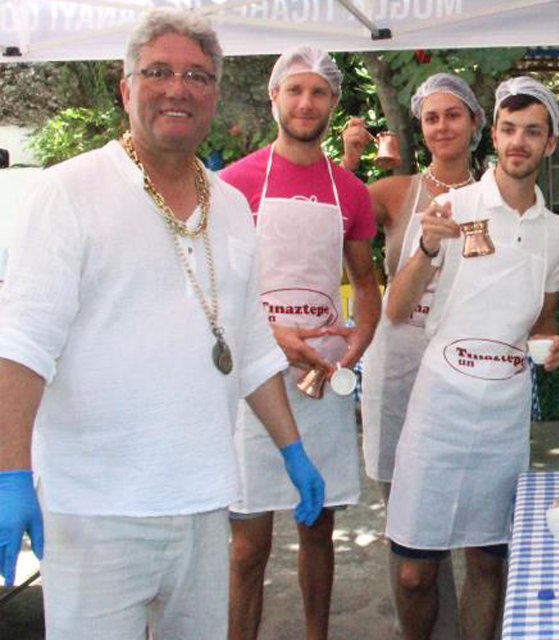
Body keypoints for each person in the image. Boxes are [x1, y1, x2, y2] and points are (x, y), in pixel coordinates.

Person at [0, 9, 325, 638]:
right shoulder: (67, 192)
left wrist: (294, 450)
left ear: (214, 95)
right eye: (158, 72)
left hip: (204, 499)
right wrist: (9, 473)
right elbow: (21, 346)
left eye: (197, 76)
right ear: (126, 89)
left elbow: (250, 346)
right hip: (95, 509)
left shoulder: (231, 205)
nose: (178, 88)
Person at [382, 76, 559, 640]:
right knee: (414, 572)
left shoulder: (554, 232)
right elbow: (397, 308)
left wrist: (553, 344)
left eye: (532, 131)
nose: (518, 142)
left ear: (549, 144)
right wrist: (426, 247)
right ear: (495, 134)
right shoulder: (452, 206)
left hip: (504, 417)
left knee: (489, 564)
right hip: (440, 407)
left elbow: (543, 320)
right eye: (509, 129)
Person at [219, 46, 381, 640]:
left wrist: (354, 351)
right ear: (275, 97)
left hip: (319, 382)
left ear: (333, 101)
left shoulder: (351, 192)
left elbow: (367, 286)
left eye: (317, 92)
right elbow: (217, 291)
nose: (306, 103)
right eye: (295, 90)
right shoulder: (233, 184)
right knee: (248, 545)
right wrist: (272, 338)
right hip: (252, 379)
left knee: (319, 531)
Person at [341, 72, 484, 636]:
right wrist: (351, 157)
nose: (442, 126)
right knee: (410, 536)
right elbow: (333, 217)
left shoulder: (495, 195)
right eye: (431, 117)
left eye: (453, 114)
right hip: (398, 368)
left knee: (476, 527)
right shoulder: (395, 192)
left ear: (474, 122)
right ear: (420, 127)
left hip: (466, 369)